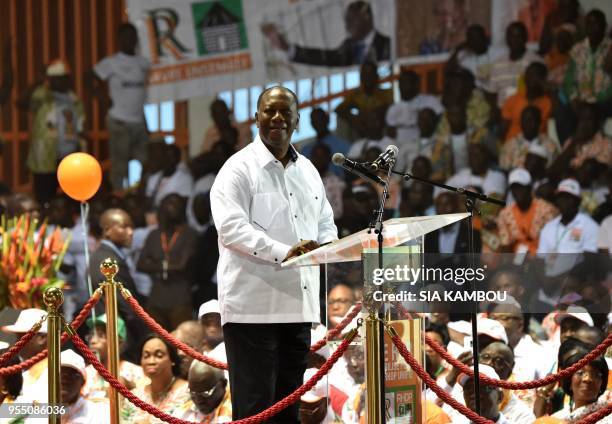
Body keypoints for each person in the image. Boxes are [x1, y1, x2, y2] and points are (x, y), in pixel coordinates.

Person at [210, 86, 338, 422]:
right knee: (255, 411)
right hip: (252, 310)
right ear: (256, 118)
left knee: (287, 412)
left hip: (298, 307)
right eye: (269, 111)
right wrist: (288, 252)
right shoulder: (238, 169)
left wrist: (327, 246)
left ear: (297, 120)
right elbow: (231, 229)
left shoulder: (308, 170)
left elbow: (325, 223)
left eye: (285, 111)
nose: (277, 118)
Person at [92, 23, 150, 191]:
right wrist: (103, 100)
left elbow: (141, 94)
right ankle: (118, 198)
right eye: (126, 36)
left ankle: (141, 193)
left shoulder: (143, 63)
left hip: (139, 120)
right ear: (119, 39)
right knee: (119, 167)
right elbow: (89, 78)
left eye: (132, 35)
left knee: (146, 161)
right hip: (119, 121)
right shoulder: (112, 62)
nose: (130, 39)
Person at [89, 208, 147, 363]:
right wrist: (145, 338)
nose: (130, 232)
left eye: (132, 228)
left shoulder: (104, 255)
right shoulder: (107, 260)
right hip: (120, 340)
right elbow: (128, 308)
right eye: (124, 227)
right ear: (107, 230)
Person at [23, 59, 85, 205]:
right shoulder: (41, 95)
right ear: (49, 79)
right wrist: (37, 82)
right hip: (45, 157)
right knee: (44, 197)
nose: (60, 82)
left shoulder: (74, 100)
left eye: (63, 78)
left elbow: (81, 128)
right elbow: (22, 103)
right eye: (55, 79)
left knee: (72, 197)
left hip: (69, 155)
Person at [261, 1, 390, 67]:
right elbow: (325, 58)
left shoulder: (388, 45)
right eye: (346, 21)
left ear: (366, 17)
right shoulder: (349, 46)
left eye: (351, 20)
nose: (347, 26)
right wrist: (287, 48)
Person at [138, 194, 198, 331]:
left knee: (181, 343)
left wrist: (155, 264)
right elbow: (141, 264)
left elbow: (182, 265)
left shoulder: (189, 234)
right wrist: (167, 266)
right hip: (156, 297)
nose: (171, 208)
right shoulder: (154, 235)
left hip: (180, 298)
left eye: (175, 204)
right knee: (156, 340)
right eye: (167, 203)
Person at [122, 335, 190, 422]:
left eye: (159, 355)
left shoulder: (187, 393)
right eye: (146, 356)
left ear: (172, 359)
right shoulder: (135, 396)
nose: (151, 361)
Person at [83, 314, 147, 401]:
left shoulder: (136, 373)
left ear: (119, 343)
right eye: (90, 336)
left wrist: (131, 387)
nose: (93, 341)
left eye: (101, 336)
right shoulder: (84, 374)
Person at [496, 168, 559, 254]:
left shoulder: (547, 210)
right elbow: (505, 244)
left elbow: (554, 240)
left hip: (541, 257)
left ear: (529, 188)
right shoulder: (505, 214)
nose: (518, 192)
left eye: (521, 188)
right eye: (514, 188)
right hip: (516, 260)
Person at [537, 178, 599, 255]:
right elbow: (540, 258)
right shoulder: (549, 227)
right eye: (561, 198)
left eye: (568, 198)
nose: (564, 202)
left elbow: (590, 259)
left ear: (578, 201)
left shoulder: (590, 226)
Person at [488, 22, 543, 106]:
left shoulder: (536, 62)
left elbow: (541, 91)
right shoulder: (497, 64)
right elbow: (492, 93)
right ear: (506, 39)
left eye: (519, 36)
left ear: (525, 38)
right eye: (511, 36)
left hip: (527, 112)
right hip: (502, 112)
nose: (515, 40)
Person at [335, 61, 393, 140]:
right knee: (341, 118)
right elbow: (339, 109)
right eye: (365, 74)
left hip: (380, 128)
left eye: (370, 74)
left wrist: (372, 113)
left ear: (376, 76)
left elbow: (391, 108)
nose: (367, 77)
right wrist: (353, 118)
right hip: (361, 128)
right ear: (361, 77)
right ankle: (345, 147)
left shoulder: (386, 93)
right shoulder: (355, 94)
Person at [1, 309, 48, 403]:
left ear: (42, 338)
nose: (17, 343)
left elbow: (56, 409)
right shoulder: (21, 368)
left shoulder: (59, 368)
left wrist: (4, 413)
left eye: (22, 338)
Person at [385, 70, 443, 146]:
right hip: (401, 147)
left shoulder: (430, 100)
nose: (403, 85)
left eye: (407, 81)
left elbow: (441, 121)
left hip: (428, 144)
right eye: (401, 82)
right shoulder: (393, 108)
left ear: (416, 84)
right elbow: (390, 132)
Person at [550, 353, 609, 422]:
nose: (587, 379)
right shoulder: (556, 418)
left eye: (595, 374)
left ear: (602, 384)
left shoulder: (608, 417)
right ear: (570, 382)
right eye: (580, 373)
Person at [501, 61, 552, 142]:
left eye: (536, 74)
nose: (532, 77)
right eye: (529, 74)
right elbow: (504, 128)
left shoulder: (549, 102)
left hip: (537, 144)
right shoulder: (513, 99)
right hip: (513, 144)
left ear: (543, 79)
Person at [500, 106, 559, 171]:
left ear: (539, 122)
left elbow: (554, 170)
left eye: (533, 120)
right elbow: (504, 171)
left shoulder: (550, 145)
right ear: (521, 122)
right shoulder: (509, 146)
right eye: (526, 120)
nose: (530, 124)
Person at [60, 349, 110, 423]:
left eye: (72, 375)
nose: (64, 380)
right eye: (60, 374)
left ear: (83, 382)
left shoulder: (99, 412)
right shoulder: (42, 410)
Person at [448, 24, 504, 89]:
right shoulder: (463, 56)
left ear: (485, 38)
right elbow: (449, 71)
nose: (475, 42)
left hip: (496, 89)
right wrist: (459, 47)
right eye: (472, 39)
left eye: (478, 38)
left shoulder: (500, 52)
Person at [299, 108, 351, 175]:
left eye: (320, 119)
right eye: (315, 121)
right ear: (312, 124)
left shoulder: (344, 145)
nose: (318, 123)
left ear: (327, 119)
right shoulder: (306, 150)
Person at [145, 144, 194, 208]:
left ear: (178, 159)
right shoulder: (153, 178)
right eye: (166, 157)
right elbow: (148, 200)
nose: (169, 160)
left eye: (172, 157)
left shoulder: (185, 178)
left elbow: (185, 202)